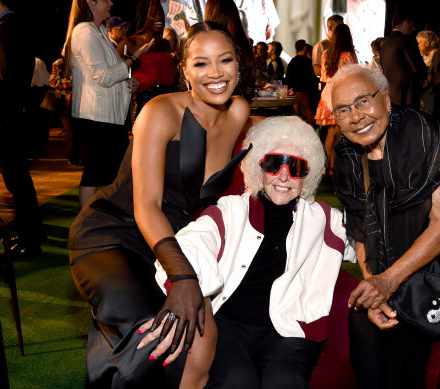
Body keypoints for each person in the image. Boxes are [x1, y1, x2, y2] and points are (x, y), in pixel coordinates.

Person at [68, 21, 250, 388]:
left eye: (225, 60)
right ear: (184, 70)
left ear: (239, 66)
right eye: (201, 63)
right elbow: (147, 206)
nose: (215, 73)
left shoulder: (239, 112)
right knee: (154, 333)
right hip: (114, 234)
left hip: (176, 241)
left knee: (202, 344)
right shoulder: (160, 111)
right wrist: (183, 277)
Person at [329, 64, 440, 388]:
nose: (356, 116)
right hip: (409, 246)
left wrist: (388, 280)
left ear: (386, 101)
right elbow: (361, 230)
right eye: (343, 109)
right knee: (367, 327)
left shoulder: (418, 130)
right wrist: (375, 287)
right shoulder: (346, 154)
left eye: (363, 101)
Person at [147, 116, 352, 388]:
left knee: (286, 383)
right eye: (273, 163)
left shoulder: (325, 220)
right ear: (259, 167)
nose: (283, 176)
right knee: (236, 382)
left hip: (289, 331)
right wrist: (183, 284)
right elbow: (189, 243)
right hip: (229, 325)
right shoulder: (231, 209)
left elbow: (368, 241)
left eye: (295, 167)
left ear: (307, 174)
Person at [63, 0, 152, 208]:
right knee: (95, 173)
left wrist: (128, 81)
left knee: (110, 172)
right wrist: (135, 57)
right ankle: (86, 225)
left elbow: (111, 73)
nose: (111, 3)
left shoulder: (100, 30)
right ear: (91, 3)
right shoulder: (85, 32)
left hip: (108, 116)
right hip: (95, 115)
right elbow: (104, 76)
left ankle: (101, 220)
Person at [0, 0, 44, 257]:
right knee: (19, 181)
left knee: (17, 182)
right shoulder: (12, 25)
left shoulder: (5, 27)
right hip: (15, 117)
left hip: (8, 118)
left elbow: (7, 78)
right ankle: (32, 233)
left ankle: (29, 240)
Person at [118, 0, 175, 123]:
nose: (159, 17)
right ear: (144, 15)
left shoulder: (165, 44)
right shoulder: (131, 43)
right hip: (144, 103)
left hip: (168, 101)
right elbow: (113, 71)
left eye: (161, 13)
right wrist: (126, 80)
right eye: (154, 13)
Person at [315, 23, 358, 177]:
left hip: (327, 93)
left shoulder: (326, 54)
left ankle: (327, 167)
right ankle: (334, 167)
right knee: (338, 132)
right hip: (342, 93)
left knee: (330, 132)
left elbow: (323, 76)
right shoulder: (348, 55)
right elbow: (354, 77)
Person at [205, 0, 256, 102]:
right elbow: (249, 91)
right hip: (241, 106)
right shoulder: (245, 44)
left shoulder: (207, 44)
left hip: (215, 109)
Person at [379, 12, 427, 109]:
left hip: (391, 96)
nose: (413, 28)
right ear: (406, 23)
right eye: (412, 25)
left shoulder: (385, 44)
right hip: (408, 96)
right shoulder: (407, 39)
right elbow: (416, 67)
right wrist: (425, 75)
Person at [284, 39, 318, 126]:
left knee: (295, 119)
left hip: (293, 94)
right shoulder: (307, 62)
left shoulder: (292, 61)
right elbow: (312, 79)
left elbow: (288, 78)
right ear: (305, 47)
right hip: (304, 94)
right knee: (309, 118)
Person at [416, 30, 440, 115]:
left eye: (419, 43)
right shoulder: (421, 57)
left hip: (433, 95)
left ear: (427, 43)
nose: (417, 46)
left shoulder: (438, 55)